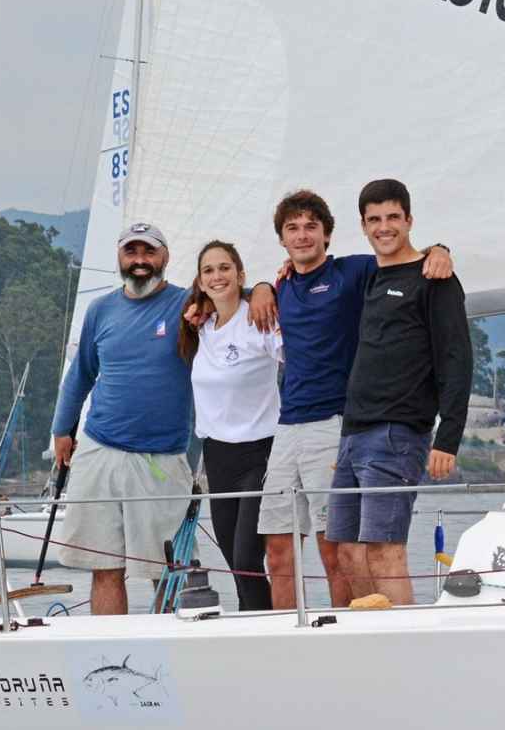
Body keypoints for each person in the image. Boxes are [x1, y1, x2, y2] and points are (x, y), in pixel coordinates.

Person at [51, 222, 276, 615]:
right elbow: (81, 373)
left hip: (162, 459)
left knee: (170, 573)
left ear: (165, 257)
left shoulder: (188, 305)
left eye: (149, 252)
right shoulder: (100, 309)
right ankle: (109, 654)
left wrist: (262, 289)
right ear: (120, 257)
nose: (140, 261)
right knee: (105, 568)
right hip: (99, 448)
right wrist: (61, 429)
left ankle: (168, 657)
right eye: (131, 252)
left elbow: (228, 290)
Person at [250, 190, 453, 611]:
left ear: (328, 234)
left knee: (336, 547)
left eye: (311, 227)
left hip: (336, 421)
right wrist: (262, 286)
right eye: (293, 229)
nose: (303, 236)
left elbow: (403, 257)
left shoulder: (353, 272)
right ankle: (285, 634)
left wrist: (441, 250)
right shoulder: (281, 287)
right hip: (286, 426)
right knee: (277, 547)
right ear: (282, 239)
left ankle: (344, 626)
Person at [328, 179, 472, 606]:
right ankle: (367, 644)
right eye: (374, 219)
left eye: (393, 217)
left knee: (385, 550)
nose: (384, 227)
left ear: (409, 221)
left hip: (398, 434)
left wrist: (448, 437)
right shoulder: (371, 276)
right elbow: (312, 264)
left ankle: (404, 648)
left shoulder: (435, 278)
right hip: (354, 435)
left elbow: (457, 359)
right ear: (363, 225)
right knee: (348, 553)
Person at [179, 240, 282, 612]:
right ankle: (255, 630)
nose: (217, 276)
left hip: (261, 454)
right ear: (200, 281)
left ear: (240, 275)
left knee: (246, 559)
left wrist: (262, 289)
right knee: (234, 563)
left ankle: (264, 637)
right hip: (217, 457)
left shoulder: (259, 319)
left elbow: (298, 360)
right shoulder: (200, 326)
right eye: (209, 270)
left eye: (225, 268)